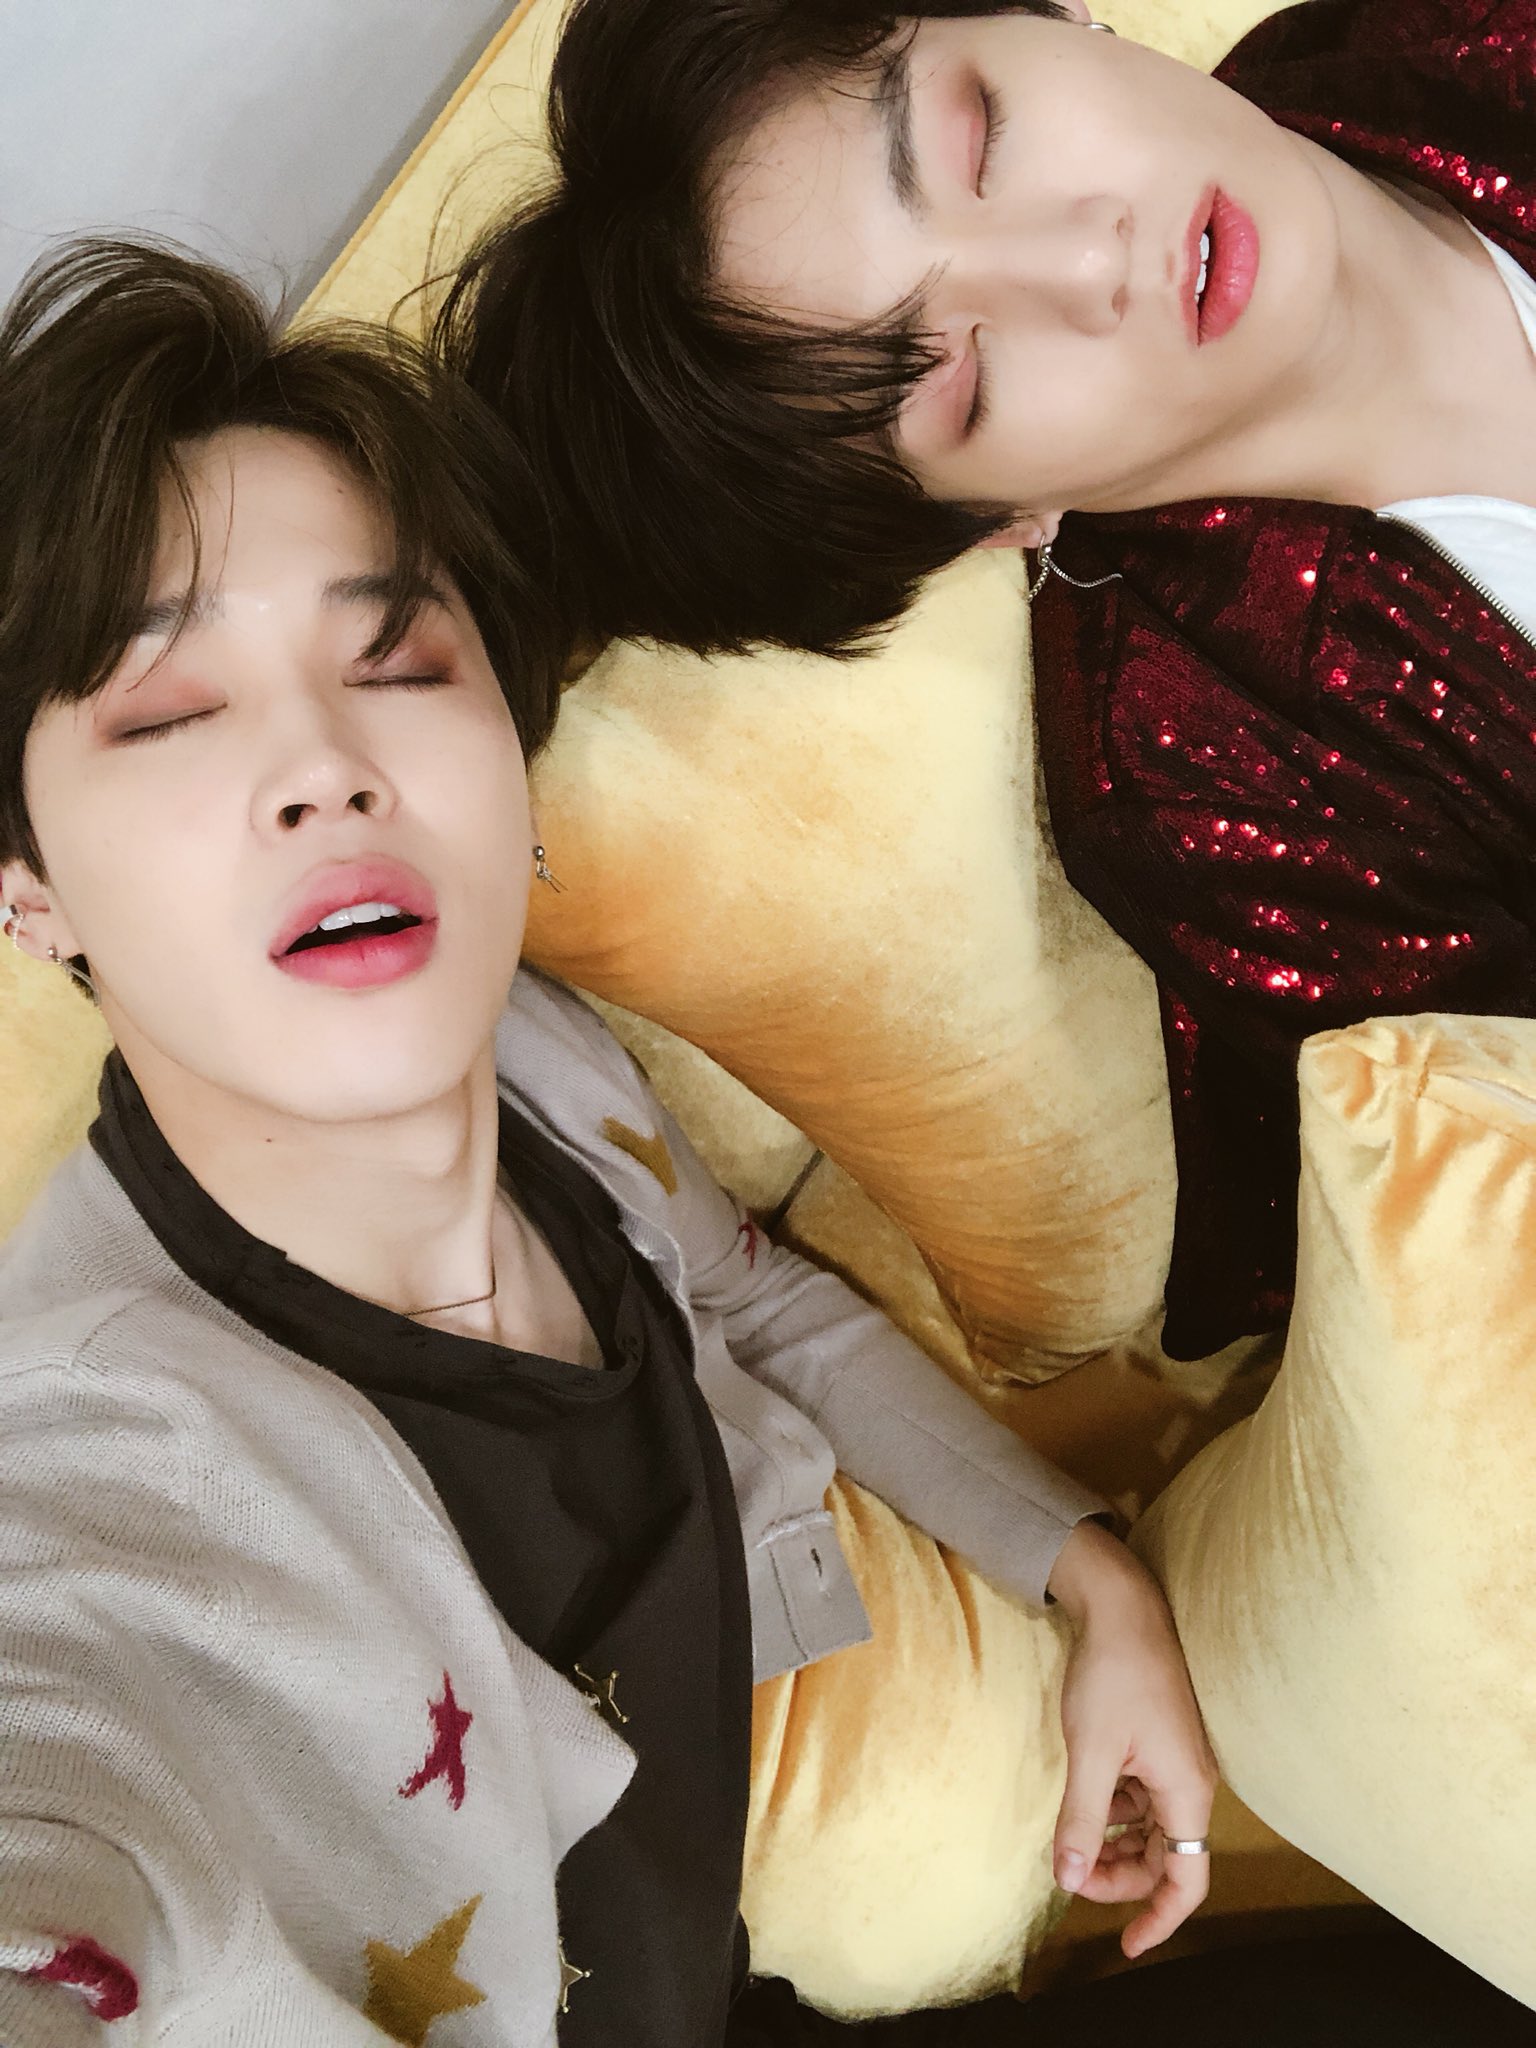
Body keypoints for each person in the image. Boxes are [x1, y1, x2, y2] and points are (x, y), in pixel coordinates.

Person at [0, 238, 1217, 2046]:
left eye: (398, 659)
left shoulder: (543, 1068)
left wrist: (1091, 1575)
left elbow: (753, 1300)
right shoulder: (109, 1461)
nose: (325, 764)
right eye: (169, 709)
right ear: (28, 891)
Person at [436, 0, 1536, 1358]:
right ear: (999, 523)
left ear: (1050, 15)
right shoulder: (1208, 781)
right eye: (958, 384)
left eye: (983, 137)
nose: (1090, 260)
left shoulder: (1446, 37)